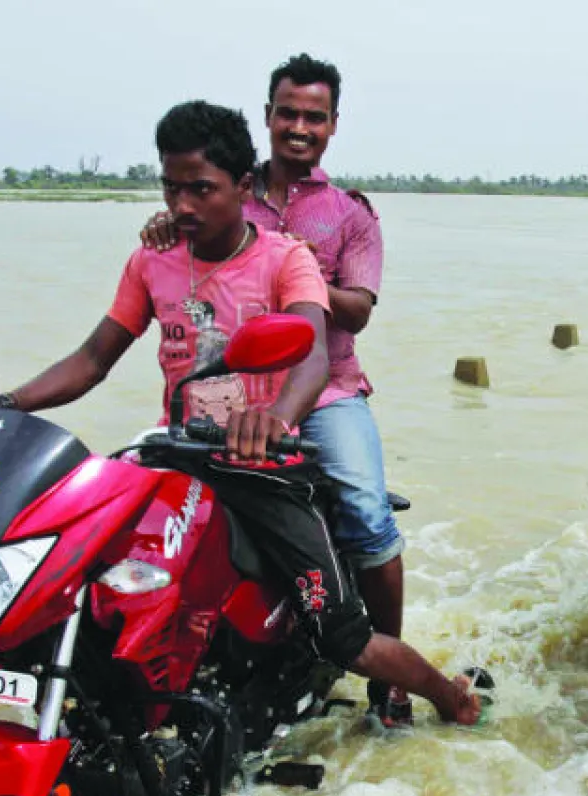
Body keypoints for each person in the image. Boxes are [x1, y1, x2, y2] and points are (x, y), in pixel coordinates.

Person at [0, 100, 480, 725]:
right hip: (179, 453)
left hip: (263, 464)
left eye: (201, 189)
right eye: (171, 187)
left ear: (242, 188)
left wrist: (275, 418)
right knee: (80, 564)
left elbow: (312, 359)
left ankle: (444, 693)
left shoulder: (284, 259)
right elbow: (92, 358)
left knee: (341, 636)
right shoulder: (151, 261)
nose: (182, 206)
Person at [142, 55, 412, 725]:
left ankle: (391, 669)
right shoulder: (222, 186)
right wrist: (166, 228)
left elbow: (359, 308)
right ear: (266, 116)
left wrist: (302, 275)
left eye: (313, 117)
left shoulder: (350, 214)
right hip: (224, 391)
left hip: (322, 387)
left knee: (365, 507)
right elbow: (182, 253)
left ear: (332, 127)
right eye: (287, 113)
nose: (298, 127)